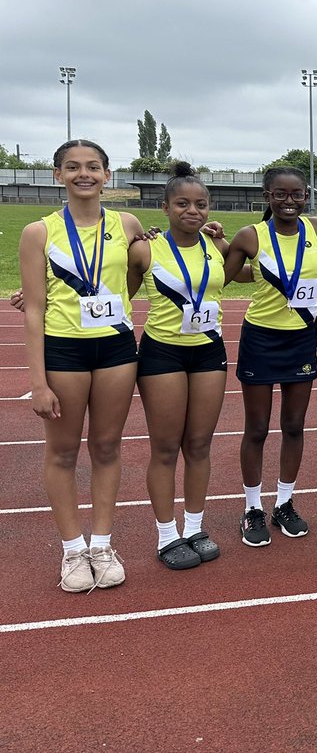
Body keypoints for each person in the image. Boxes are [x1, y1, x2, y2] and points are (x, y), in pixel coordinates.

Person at [19, 139, 144, 591]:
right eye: (72, 167)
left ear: (108, 175)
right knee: (64, 451)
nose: (83, 174)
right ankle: (72, 549)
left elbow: (138, 276)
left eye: (93, 167)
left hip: (115, 348)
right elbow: (33, 309)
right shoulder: (40, 231)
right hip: (64, 352)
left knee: (108, 447)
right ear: (57, 175)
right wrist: (37, 382)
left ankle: (102, 543)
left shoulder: (127, 223)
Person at [222, 167, 317, 547]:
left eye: (297, 194)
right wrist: (213, 242)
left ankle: (284, 503)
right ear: (267, 196)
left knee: (294, 426)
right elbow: (218, 276)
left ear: (307, 196)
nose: (289, 201)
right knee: (257, 428)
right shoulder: (250, 236)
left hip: (303, 338)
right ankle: (253, 507)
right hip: (261, 338)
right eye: (280, 194)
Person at [132, 163, 234, 569]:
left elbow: (241, 273)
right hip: (163, 353)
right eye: (182, 204)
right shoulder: (145, 248)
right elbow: (114, 292)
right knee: (165, 447)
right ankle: (166, 534)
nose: (193, 211)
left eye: (201, 204)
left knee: (199, 444)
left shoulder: (216, 245)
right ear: (165, 207)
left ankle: (194, 526)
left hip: (209, 351)